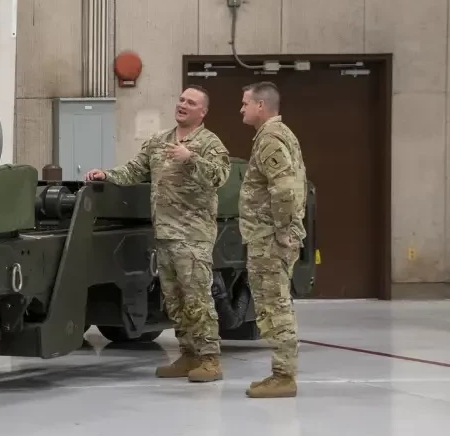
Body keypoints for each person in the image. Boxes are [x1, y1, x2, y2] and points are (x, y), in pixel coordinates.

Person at [86, 87, 232, 381]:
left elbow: (220, 176)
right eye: (181, 99)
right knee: (174, 300)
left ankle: (210, 359)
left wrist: (190, 158)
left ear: (202, 111)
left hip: (193, 236)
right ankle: (188, 355)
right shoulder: (159, 141)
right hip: (164, 234)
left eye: (191, 102)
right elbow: (135, 170)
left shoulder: (209, 143)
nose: (182, 105)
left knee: (197, 299)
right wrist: (107, 175)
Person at [238, 81, 307, 399]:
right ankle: (281, 373)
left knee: (275, 305)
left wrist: (281, 230)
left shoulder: (270, 138)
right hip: (270, 236)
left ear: (261, 106)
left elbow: (285, 189)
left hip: (269, 238)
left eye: (245, 103)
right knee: (274, 303)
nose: (241, 109)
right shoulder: (279, 134)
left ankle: (284, 376)